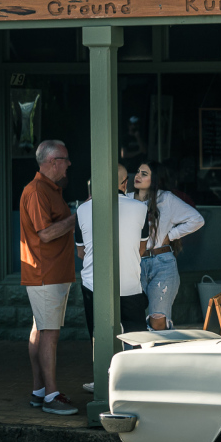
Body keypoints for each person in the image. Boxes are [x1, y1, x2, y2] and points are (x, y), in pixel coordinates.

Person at [76, 165, 150, 393]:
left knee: (98, 334)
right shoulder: (140, 208)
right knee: (135, 334)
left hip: (94, 285)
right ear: (124, 183)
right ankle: (136, 382)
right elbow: (142, 248)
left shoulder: (82, 209)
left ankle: (103, 380)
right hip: (129, 282)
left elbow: (81, 253)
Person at [19, 140, 78, 416]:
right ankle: (51, 396)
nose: (69, 164)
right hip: (46, 273)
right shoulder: (37, 191)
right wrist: (78, 217)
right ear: (53, 161)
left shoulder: (48, 189)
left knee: (41, 330)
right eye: (65, 159)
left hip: (49, 273)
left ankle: (39, 391)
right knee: (49, 334)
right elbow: (45, 234)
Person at [134, 160, 205, 329]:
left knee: (158, 319)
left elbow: (197, 219)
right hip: (134, 263)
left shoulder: (165, 198)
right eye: (137, 172)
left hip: (161, 262)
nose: (137, 176)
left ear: (155, 179)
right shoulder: (127, 200)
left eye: (144, 174)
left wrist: (171, 235)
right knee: (134, 318)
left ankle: (159, 353)